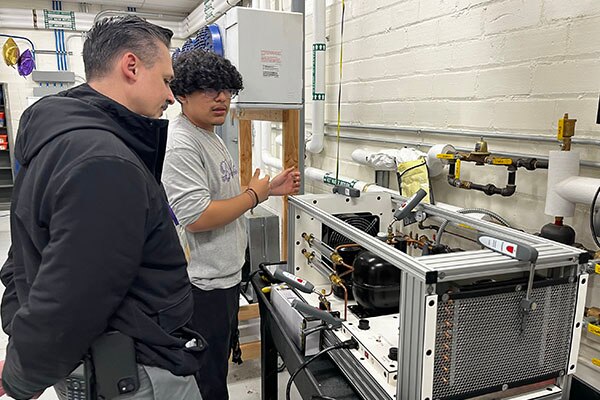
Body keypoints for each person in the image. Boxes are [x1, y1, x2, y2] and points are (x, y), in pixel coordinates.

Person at [0, 16, 205, 400]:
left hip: (101, 363)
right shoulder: (104, 162)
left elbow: (24, 255)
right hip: (136, 372)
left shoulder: (56, 134)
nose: (172, 96)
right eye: (165, 80)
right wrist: (21, 374)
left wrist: (20, 339)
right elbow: (71, 299)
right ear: (131, 67)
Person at [162, 50, 300, 400]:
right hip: (201, 285)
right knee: (206, 378)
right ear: (182, 94)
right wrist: (253, 196)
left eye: (226, 89)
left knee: (216, 366)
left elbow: (218, 198)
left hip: (222, 275)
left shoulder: (209, 133)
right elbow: (197, 217)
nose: (221, 98)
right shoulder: (181, 143)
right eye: (209, 89)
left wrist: (266, 190)